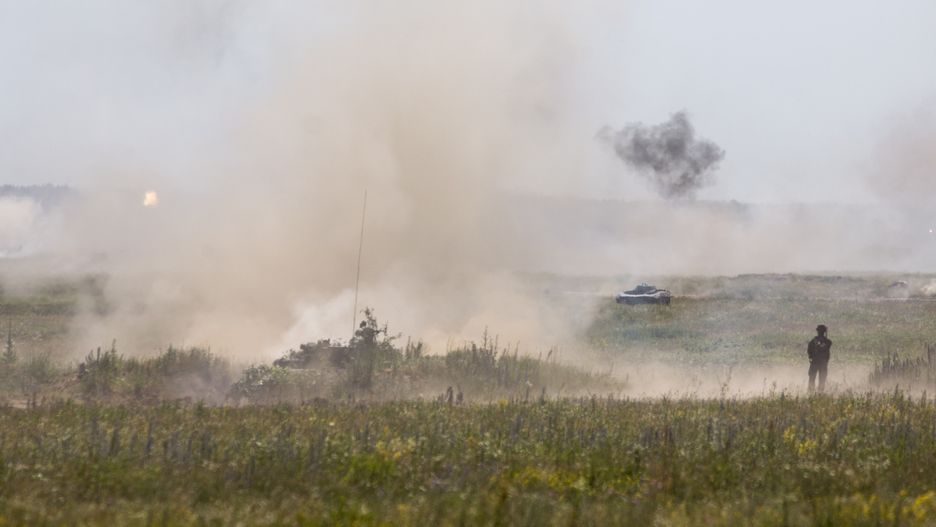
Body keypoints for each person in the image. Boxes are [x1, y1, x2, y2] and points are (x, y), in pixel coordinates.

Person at [807, 324, 832, 393]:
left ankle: (811, 393)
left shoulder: (813, 341)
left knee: (813, 379)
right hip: (822, 363)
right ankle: (819, 393)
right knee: (821, 380)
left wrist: (811, 357)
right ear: (824, 332)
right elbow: (828, 346)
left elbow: (809, 350)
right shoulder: (827, 342)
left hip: (815, 362)